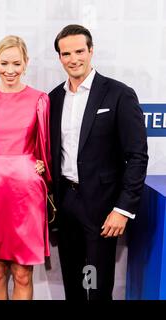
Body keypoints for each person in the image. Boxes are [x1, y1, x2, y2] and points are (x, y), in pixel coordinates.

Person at [49, 24, 148, 300]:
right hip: (66, 204)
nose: (74, 59)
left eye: (80, 51)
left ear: (91, 51)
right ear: (59, 58)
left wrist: (123, 209)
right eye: (66, 53)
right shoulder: (54, 98)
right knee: (73, 281)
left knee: (94, 285)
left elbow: (137, 156)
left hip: (102, 208)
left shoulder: (118, 94)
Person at [0, 35, 51, 300]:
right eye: (4, 63)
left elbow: (44, 146)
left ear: (26, 63)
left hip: (26, 191)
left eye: (16, 63)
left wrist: (42, 167)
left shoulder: (40, 100)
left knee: (23, 272)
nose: (10, 70)